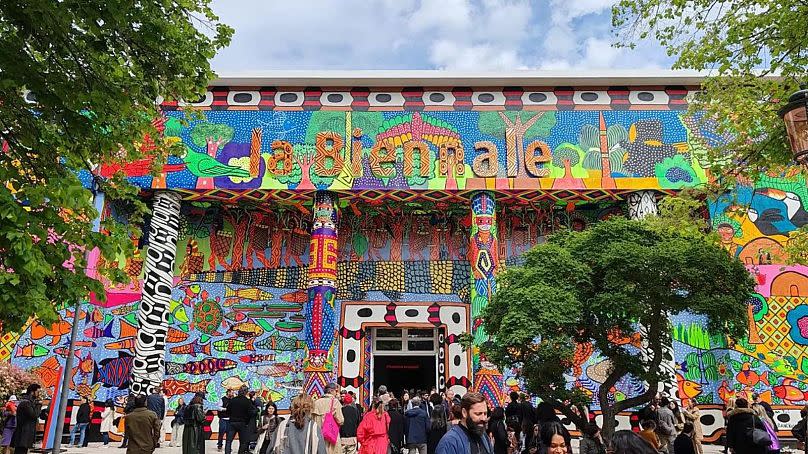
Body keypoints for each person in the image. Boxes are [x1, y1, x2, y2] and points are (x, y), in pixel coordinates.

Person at [313, 383, 345, 454]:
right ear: (331, 391)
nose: (336, 393)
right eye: (336, 391)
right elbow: (340, 420)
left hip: (318, 434)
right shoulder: (335, 402)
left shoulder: (316, 402)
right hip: (331, 434)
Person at [10, 384, 42, 454]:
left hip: (25, 434)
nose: (38, 394)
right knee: (20, 451)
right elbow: (34, 415)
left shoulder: (29, 402)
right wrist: (39, 405)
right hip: (23, 434)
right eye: (38, 392)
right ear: (32, 392)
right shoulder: (26, 403)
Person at [226, 386, 258, 454]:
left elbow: (227, 411)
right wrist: (247, 422)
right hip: (242, 423)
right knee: (243, 442)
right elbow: (250, 413)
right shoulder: (247, 401)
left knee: (228, 441)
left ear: (238, 391)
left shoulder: (233, 400)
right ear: (246, 392)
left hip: (232, 422)